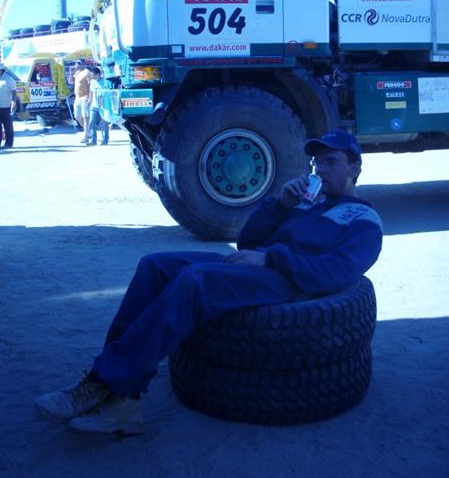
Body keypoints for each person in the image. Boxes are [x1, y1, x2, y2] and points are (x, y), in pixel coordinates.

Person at [36, 130, 383, 435]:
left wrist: (271, 259)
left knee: (194, 281)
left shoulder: (364, 219)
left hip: (288, 281)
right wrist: (279, 204)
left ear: (355, 168)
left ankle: (102, 384)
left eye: (332, 162)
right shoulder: (306, 205)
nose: (321, 170)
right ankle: (122, 401)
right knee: (154, 265)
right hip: (256, 264)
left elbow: (337, 272)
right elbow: (249, 241)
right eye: (317, 163)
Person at [0, 61, 17, 149]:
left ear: (1, 70)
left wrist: (14, 102)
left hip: (6, 107)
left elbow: (14, 91)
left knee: (8, 126)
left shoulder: (9, 79)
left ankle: (8, 144)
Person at [87, 66, 111, 146]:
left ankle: (105, 140)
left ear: (97, 74)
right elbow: (91, 92)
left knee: (104, 124)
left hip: (104, 107)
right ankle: (92, 140)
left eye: (92, 74)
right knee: (91, 123)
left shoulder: (106, 82)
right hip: (94, 107)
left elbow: (108, 94)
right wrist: (89, 101)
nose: (91, 76)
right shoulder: (92, 82)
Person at [71, 60, 91, 143]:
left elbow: (90, 84)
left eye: (78, 63)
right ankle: (88, 132)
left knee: (85, 118)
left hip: (85, 97)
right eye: (76, 63)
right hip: (77, 97)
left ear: (82, 64)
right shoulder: (77, 73)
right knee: (77, 116)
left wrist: (90, 98)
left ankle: (86, 136)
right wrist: (71, 73)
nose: (76, 65)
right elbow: (71, 82)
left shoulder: (87, 72)